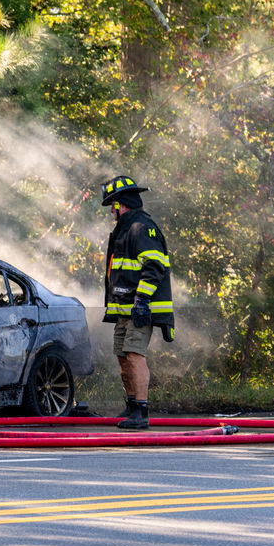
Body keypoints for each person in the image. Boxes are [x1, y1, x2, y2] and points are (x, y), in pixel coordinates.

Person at [101, 175, 174, 429]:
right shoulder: (124, 229)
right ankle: (132, 407)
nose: (111, 210)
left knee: (134, 355)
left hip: (140, 308)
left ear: (122, 205)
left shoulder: (142, 228)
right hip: (125, 309)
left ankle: (141, 413)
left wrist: (142, 300)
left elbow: (154, 266)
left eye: (113, 205)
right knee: (123, 357)